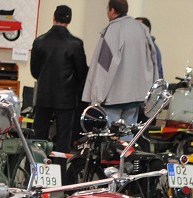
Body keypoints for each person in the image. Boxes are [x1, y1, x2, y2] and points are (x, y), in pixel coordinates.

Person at [82, 0, 157, 128]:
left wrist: (96, 98)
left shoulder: (114, 29)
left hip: (113, 96)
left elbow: (104, 65)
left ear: (112, 10)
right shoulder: (141, 29)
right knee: (128, 134)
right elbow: (152, 61)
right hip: (136, 96)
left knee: (110, 135)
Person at [29, 5, 87, 153]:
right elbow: (82, 72)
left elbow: (35, 72)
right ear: (70, 20)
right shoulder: (76, 44)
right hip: (66, 98)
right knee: (63, 138)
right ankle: (60, 166)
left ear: (54, 17)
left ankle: (36, 165)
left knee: (38, 136)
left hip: (44, 95)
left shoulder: (39, 41)